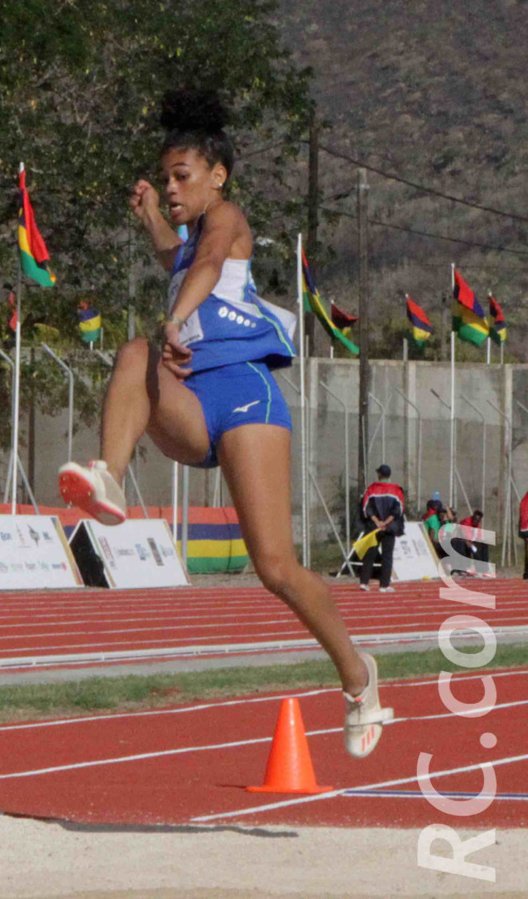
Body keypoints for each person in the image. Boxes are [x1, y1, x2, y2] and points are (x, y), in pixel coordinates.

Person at [58, 89, 393, 757]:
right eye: (166, 177)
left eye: (181, 178)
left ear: (217, 176)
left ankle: (358, 678)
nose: (173, 187)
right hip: (189, 398)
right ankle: (109, 477)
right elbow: (176, 255)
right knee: (132, 354)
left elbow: (206, 262)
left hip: (245, 396)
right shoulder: (182, 238)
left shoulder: (229, 220)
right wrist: (152, 217)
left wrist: (177, 319)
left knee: (274, 567)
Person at [358, 464, 405, 593]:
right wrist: (386, 522)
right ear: (389, 475)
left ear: (379, 475)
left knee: (370, 554)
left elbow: (366, 507)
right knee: (387, 555)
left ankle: (364, 582)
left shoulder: (372, 489)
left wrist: (377, 521)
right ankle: (384, 585)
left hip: (374, 527)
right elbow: (398, 510)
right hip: (389, 527)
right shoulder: (396, 490)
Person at [519, 491, 528, 580]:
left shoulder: (525, 499)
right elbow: (525, 517)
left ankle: (526, 573)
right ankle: (526, 573)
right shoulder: (526, 501)